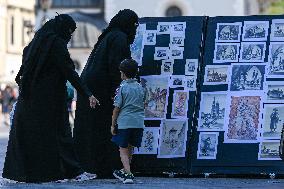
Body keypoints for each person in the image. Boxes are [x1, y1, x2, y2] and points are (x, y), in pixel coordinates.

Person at [3, 14, 99, 183]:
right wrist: (87, 93)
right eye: (69, 31)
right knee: (60, 136)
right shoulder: (56, 44)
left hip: (30, 100)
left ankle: (31, 174)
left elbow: (21, 73)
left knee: (35, 139)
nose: (70, 36)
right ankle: (73, 172)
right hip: (51, 101)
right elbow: (69, 71)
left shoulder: (35, 44)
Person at [73, 9, 139, 178]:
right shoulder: (119, 38)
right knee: (107, 128)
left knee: (93, 129)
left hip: (92, 86)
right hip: (102, 88)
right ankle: (106, 167)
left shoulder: (109, 35)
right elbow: (118, 67)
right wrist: (117, 92)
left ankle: (93, 165)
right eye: (134, 25)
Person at [111, 59, 145, 184]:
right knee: (130, 147)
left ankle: (128, 175)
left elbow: (117, 108)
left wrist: (113, 124)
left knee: (123, 149)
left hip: (125, 122)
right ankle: (126, 170)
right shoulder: (141, 87)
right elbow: (144, 103)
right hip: (138, 122)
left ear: (123, 73)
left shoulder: (122, 88)